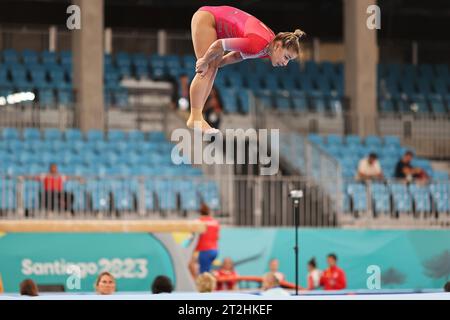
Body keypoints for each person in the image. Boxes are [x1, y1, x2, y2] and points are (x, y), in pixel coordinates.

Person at [188, 5, 305, 133]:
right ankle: (195, 117)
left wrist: (219, 63)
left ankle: (198, 116)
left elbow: (238, 55)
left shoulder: (267, 49)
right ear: (277, 46)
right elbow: (219, 44)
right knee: (208, 67)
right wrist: (204, 61)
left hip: (217, 24)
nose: (285, 63)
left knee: (213, 68)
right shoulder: (259, 43)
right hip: (207, 18)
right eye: (286, 57)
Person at [195, 203, 220, 273]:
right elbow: (218, 237)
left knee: (204, 274)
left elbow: (193, 237)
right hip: (214, 250)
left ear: (200, 212)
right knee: (207, 271)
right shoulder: (215, 222)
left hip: (205, 251)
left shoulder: (198, 222)